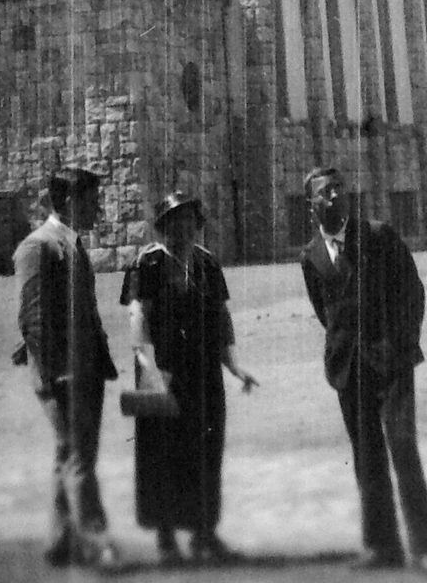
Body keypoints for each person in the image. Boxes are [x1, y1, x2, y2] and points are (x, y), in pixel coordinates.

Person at [300, 167, 427, 574]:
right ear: (311, 206)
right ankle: (382, 546)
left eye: (338, 190)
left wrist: (402, 341)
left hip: (392, 361)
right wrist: (346, 347)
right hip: (349, 367)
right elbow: (325, 311)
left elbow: (412, 291)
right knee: (366, 456)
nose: (333, 198)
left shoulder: (378, 236)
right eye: (323, 193)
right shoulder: (309, 256)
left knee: (402, 446)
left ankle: (423, 547)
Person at [122, 192, 258, 564]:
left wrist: (233, 364)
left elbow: (221, 316)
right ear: (163, 226)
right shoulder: (147, 262)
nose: (183, 230)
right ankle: (166, 538)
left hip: (203, 369)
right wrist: (146, 366)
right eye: (174, 223)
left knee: (206, 447)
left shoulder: (207, 262)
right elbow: (139, 314)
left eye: (190, 222)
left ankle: (204, 532)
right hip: (161, 367)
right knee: (161, 451)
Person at [13, 166, 120, 571]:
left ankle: (60, 540)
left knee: (68, 452)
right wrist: (58, 371)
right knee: (80, 458)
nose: (98, 208)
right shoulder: (39, 246)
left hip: (85, 366)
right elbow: (33, 317)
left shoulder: (69, 242)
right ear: (72, 201)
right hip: (65, 373)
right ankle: (97, 541)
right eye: (92, 200)